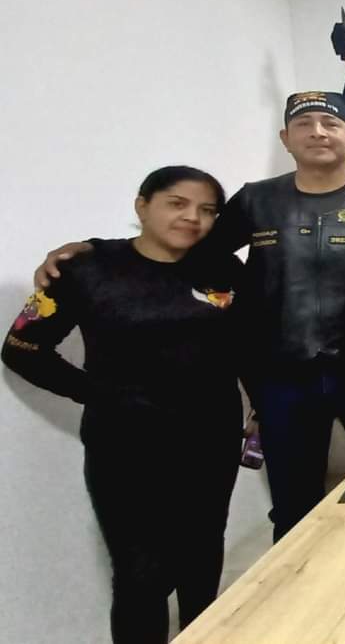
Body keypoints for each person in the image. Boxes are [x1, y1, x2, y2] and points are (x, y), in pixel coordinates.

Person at [34, 91, 345, 542]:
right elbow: (187, 248)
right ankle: (295, 584)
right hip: (282, 379)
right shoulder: (256, 200)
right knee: (294, 503)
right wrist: (95, 251)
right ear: (286, 139)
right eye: (304, 124)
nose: (318, 132)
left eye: (330, 124)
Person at [3, 166, 244, 644]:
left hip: (210, 437)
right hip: (124, 443)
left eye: (207, 210)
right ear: (142, 206)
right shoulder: (85, 269)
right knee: (141, 575)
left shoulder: (225, 269)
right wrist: (101, 394)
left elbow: (251, 343)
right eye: (177, 203)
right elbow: (22, 349)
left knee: (201, 561)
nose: (192, 218)